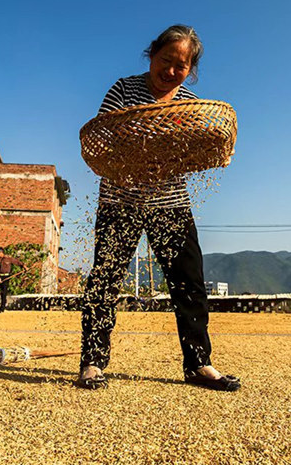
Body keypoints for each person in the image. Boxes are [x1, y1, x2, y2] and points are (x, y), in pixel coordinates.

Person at [77, 24, 240, 391]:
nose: (170, 71)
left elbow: (194, 150)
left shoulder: (188, 107)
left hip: (170, 201)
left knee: (190, 283)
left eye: (180, 66)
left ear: (190, 71)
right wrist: (141, 152)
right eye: (166, 60)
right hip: (121, 198)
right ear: (152, 55)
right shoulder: (124, 89)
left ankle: (199, 364)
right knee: (105, 279)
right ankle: (91, 362)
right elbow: (105, 136)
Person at [0, 247, 25, 313]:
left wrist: (24, 266)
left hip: (6, 277)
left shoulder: (8, 259)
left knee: (4, 293)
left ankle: (2, 309)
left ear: (1, 252)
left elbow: (17, 262)